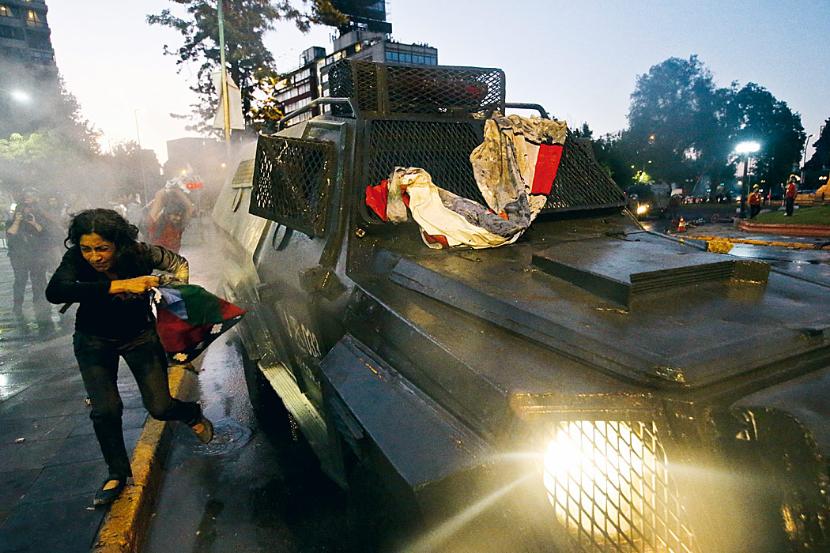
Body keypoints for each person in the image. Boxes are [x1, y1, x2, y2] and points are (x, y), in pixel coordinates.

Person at [45, 208, 214, 507]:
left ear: (118, 244)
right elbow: (56, 291)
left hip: (139, 337)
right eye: (86, 249)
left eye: (102, 248)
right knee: (105, 410)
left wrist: (174, 294)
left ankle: (190, 414)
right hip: (93, 339)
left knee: (160, 407)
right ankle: (117, 473)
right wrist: (122, 285)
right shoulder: (75, 259)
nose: (94, 257)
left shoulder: (140, 253)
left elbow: (178, 263)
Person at [6, 189, 53, 332]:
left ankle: (40, 305)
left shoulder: (37, 219)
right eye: (23, 211)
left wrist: (34, 223)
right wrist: (17, 221)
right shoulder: (12, 222)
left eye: (29, 210)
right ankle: (17, 306)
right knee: (20, 281)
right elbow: (10, 234)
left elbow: (44, 233)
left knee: (38, 281)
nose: (27, 212)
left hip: (36, 255)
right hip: (18, 257)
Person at [147, 181, 194, 253]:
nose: (178, 218)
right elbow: (159, 197)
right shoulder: (157, 225)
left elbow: (190, 208)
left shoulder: (178, 226)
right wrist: (166, 188)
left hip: (173, 258)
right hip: (159, 258)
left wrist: (177, 191)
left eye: (180, 215)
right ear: (168, 213)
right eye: (175, 215)